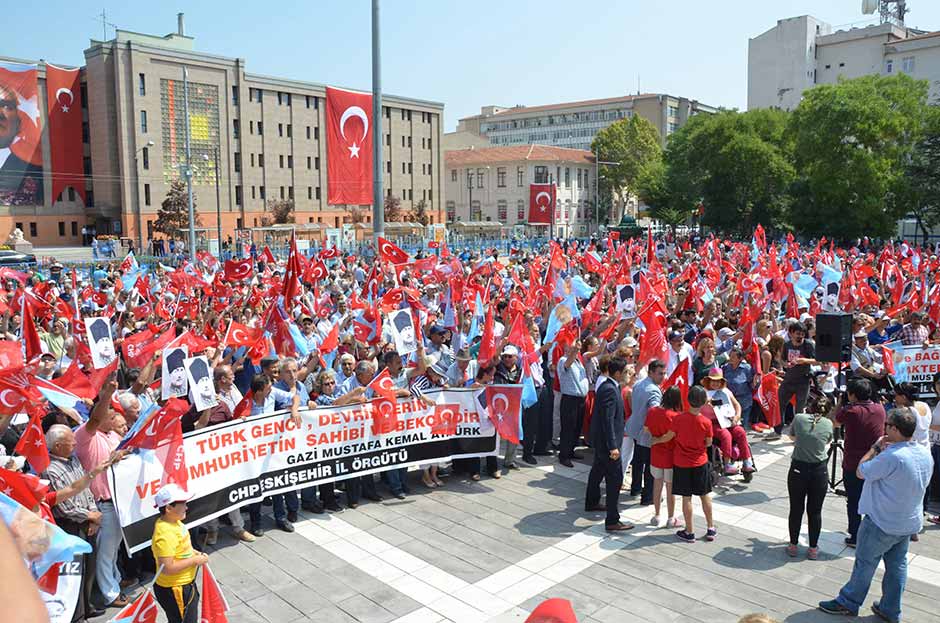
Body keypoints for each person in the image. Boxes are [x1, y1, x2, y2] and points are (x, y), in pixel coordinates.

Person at [818, 409, 933, 621]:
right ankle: (890, 609)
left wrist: (875, 447)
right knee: (897, 567)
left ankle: (848, 602)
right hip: (907, 521)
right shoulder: (925, 452)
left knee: (865, 563)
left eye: (887, 424)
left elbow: (861, 471)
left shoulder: (892, 456)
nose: (884, 427)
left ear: (895, 430)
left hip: (882, 521)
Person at [832, 378, 886, 548]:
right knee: (873, 499)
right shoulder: (880, 409)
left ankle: (855, 535)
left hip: (853, 463)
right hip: (876, 462)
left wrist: (840, 402)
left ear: (852, 395)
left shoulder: (851, 411)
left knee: (854, 500)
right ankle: (872, 533)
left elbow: (834, 421)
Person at [584, 355, 633, 532]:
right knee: (615, 479)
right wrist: (613, 446)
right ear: (618, 373)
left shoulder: (609, 386)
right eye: (626, 372)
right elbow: (608, 420)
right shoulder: (610, 389)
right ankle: (612, 519)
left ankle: (591, 502)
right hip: (608, 444)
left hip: (602, 441)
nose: (629, 374)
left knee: (597, 471)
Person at [785, 395, 834, 560]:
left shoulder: (799, 418)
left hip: (798, 468)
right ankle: (813, 548)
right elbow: (827, 440)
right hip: (819, 470)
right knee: (815, 511)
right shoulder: (828, 424)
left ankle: (793, 545)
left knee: (796, 508)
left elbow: (792, 437)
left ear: (811, 406)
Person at [151, 484, 208, 623]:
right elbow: (168, 568)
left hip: (183, 586)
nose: (187, 507)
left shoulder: (175, 522)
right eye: (183, 504)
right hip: (176, 589)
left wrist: (195, 553)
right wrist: (195, 561)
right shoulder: (165, 534)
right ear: (169, 508)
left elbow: (182, 549)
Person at [671, 385, 716, 543]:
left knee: (686, 497)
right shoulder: (706, 422)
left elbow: (673, 435)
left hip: (682, 462)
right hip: (700, 462)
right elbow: (709, 443)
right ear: (704, 402)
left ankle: (689, 531)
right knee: (705, 496)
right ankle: (710, 527)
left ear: (688, 400)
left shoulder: (678, 419)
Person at [701, 368, 755, 477]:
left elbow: (737, 405)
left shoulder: (726, 391)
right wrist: (706, 402)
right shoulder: (704, 393)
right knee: (725, 435)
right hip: (713, 423)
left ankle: (746, 461)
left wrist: (737, 416)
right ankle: (727, 464)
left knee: (740, 432)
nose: (715, 383)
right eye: (713, 380)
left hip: (728, 421)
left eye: (718, 381)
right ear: (709, 381)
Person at [627, 360, 666, 505]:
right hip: (647, 433)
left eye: (663, 373)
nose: (663, 376)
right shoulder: (654, 390)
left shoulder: (639, 383)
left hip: (635, 428)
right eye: (659, 373)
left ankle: (635, 488)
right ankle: (647, 496)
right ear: (650, 372)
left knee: (637, 461)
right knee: (650, 465)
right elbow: (654, 412)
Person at [645, 385, 681, 528]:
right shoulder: (675, 417)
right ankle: (671, 518)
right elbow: (674, 436)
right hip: (671, 456)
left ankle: (656, 515)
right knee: (670, 488)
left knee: (657, 485)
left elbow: (646, 429)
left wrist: (655, 437)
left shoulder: (652, 411)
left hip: (656, 454)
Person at [773, 321, 817, 438]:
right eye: (798, 334)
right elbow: (781, 360)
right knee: (780, 405)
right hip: (788, 380)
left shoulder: (808, 345)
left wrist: (804, 361)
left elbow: (818, 360)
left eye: (802, 334)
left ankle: (798, 433)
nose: (800, 337)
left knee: (799, 409)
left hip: (803, 381)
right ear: (791, 333)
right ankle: (777, 431)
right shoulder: (786, 345)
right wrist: (785, 364)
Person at [557, 340, 589, 468]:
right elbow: (567, 364)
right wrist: (575, 350)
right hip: (570, 399)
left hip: (580, 399)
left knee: (576, 428)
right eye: (573, 347)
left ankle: (571, 451)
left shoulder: (578, 362)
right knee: (568, 428)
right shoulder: (563, 361)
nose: (576, 349)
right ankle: (564, 456)